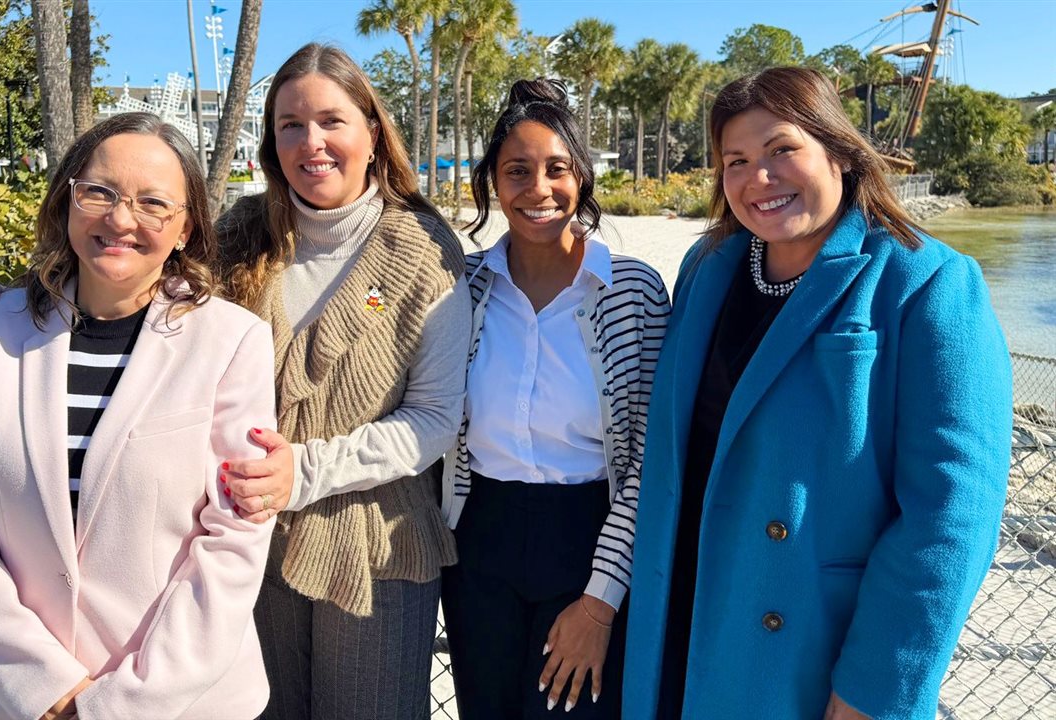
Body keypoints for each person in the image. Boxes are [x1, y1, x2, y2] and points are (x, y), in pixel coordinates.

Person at [623, 67, 1013, 720]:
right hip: (679, 620)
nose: (758, 178)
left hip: (809, 647)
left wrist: (873, 691)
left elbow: (950, 518)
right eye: (735, 161)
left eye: (781, 150)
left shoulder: (925, 282)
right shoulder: (707, 267)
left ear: (839, 151)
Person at [0, 112, 276, 720]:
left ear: (186, 228)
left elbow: (233, 536)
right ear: (67, 201)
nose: (121, 219)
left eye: (153, 203)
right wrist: (42, 686)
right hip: (8, 697)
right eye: (100, 192)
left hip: (177, 700)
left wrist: (121, 704)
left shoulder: (231, 341)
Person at [213, 43, 471, 720]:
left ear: (373, 133)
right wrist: (29, 301)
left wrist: (300, 473)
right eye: (291, 125)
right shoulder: (239, 237)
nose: (312, 142)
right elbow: (141, 301)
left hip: (376, 551)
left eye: (332, 121)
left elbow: (434, 419)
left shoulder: (423, 250)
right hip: (246, 544)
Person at [440, 78, 669, 719]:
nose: (538, 189)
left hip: (588, 543)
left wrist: (600, 603)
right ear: (492, 183)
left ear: (582, 177)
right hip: (478, 544)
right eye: (517, 171)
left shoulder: (633, 292)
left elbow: (650, 460)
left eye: (556, 169)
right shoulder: (464, 287)